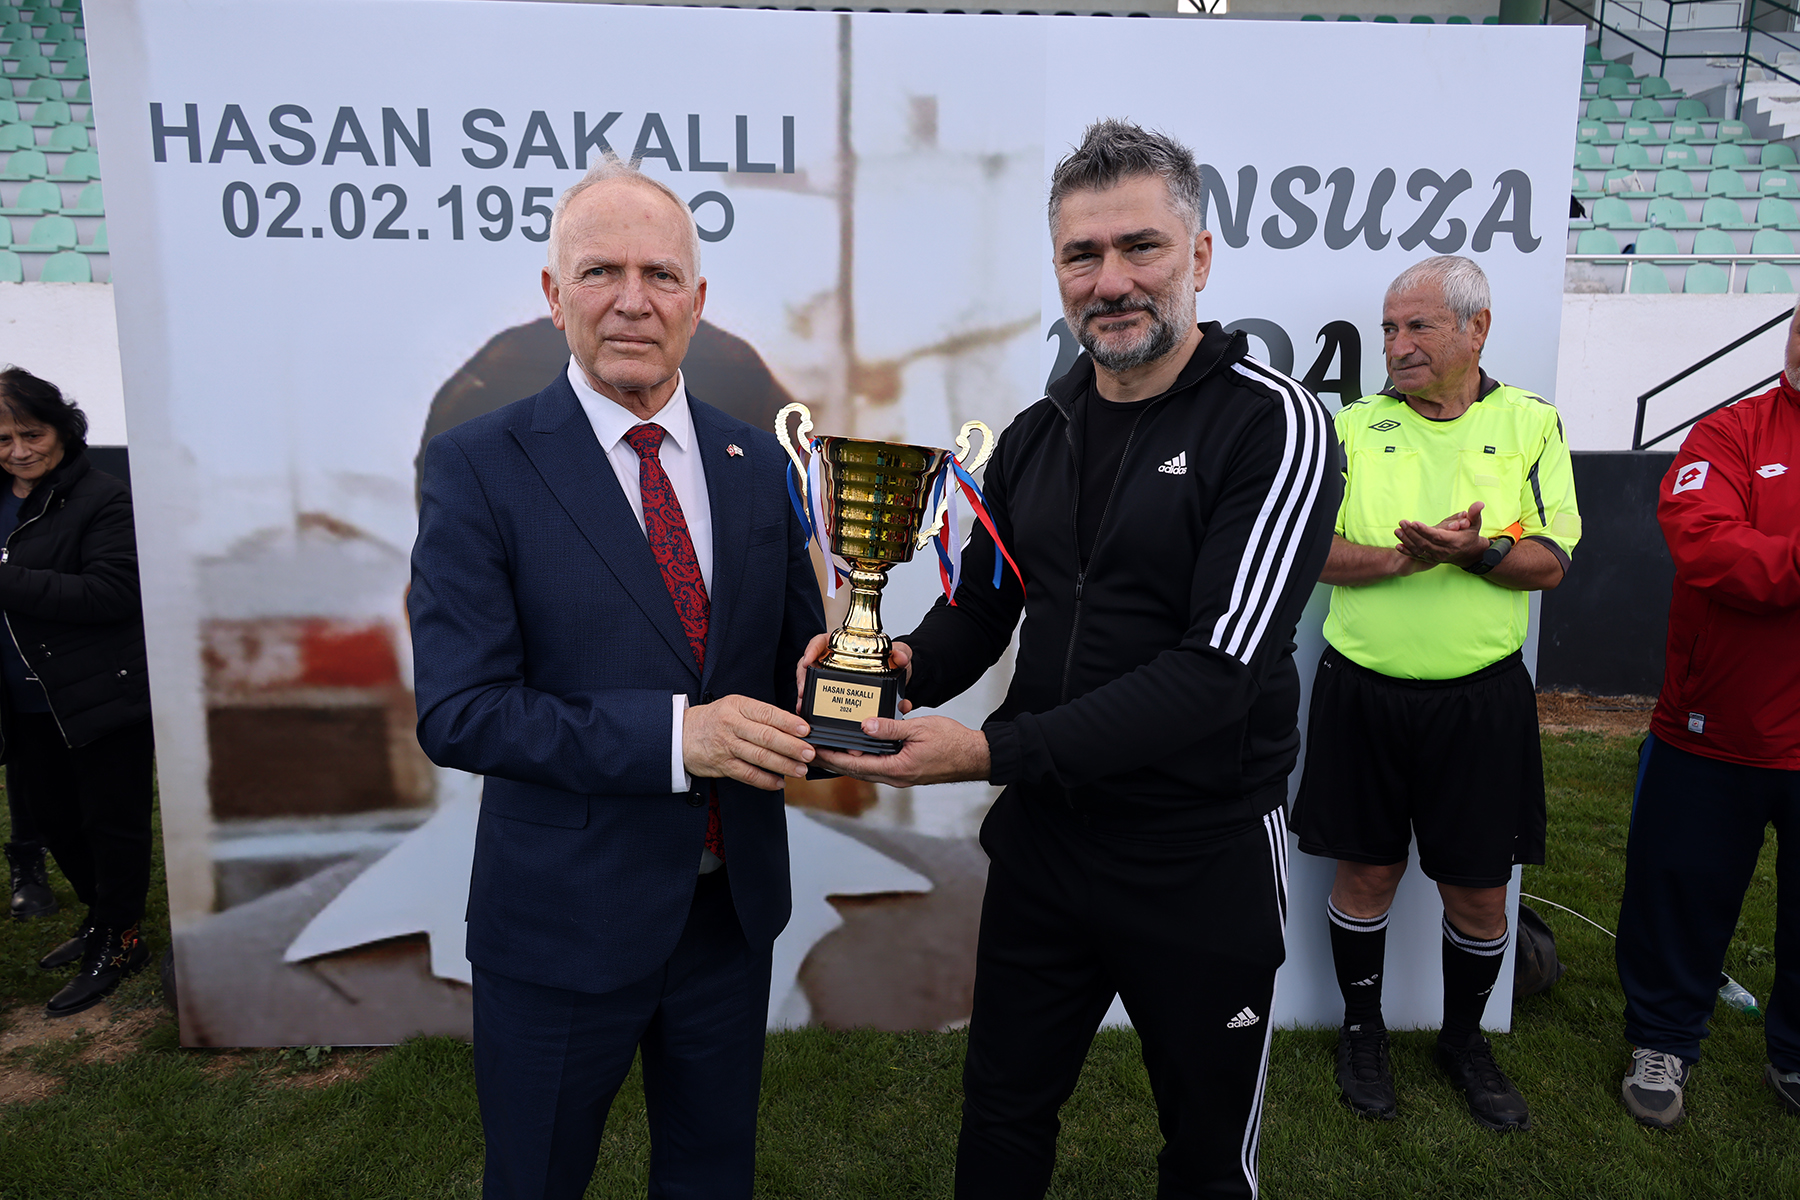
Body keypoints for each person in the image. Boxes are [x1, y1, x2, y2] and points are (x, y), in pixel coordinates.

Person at [810, 120, 1339, 1199]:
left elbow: (1216, 673)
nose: (1111, 281)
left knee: (1206, 1157)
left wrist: (987, 753)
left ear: (1199, 256)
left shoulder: (1273, 427)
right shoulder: (1036, 433)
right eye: (1082, 255)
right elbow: (981, 611)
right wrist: (891, 662)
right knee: (1001, 1120)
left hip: (1201, 853)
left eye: (1141, 247)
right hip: (1047, 848)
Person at [408, 161, 826, 1199]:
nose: (633, 300)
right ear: (555, 295)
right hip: (562, 926)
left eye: (660, 274)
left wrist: (846, 688)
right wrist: (679, 738)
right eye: (601, 272)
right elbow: (462, 711)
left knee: (712, 1177)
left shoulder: (758, 463)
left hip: (728, 916)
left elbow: (791, 665)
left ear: (697, 299)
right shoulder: (478, 467)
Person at [1290, 255, 1580, 1132]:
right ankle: (1362, 1030)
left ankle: (1463, 1041)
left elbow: (1552, 560)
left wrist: (1479, 554)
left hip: (1480, 703)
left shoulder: (1530, 423)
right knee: (1366, 871)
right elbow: (1307, 549)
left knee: (1480, 890)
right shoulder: (1349, 428)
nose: (1397, 344)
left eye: (1417, 326)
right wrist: (1403, 560)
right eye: (1389, 328)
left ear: (1475, 327)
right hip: (1362, 693)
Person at [1614, 307, 1800, 1129]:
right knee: (1680, 891)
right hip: (1715, 723)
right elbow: (1709, 549)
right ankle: (1662, 1038)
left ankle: (1793, 1052)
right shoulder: (1731, 433)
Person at [0, 367, 156, 1016]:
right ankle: (101, 920)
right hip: (23, 701)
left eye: (31, 434)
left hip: (99, 695)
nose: (18, 451)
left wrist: (5, 578)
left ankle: (120, 940)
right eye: (3, 439)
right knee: (57, 822)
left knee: (111, 825)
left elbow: (113, 593)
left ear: (62, 428)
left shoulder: (102, 497)